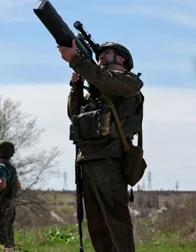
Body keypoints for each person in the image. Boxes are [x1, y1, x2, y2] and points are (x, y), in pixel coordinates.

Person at [58, 39, 145, 252]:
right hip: (88, 159)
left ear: (122, 58)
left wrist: (76, 61)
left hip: (110, 160)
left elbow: (106, 81)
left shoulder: (128, 83)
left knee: (116, 221)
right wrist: (76, 86)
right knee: (97, 224)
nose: (101, 57)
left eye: (106, 53)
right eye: (100, 55)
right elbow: (74, 114)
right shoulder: (99, 91)